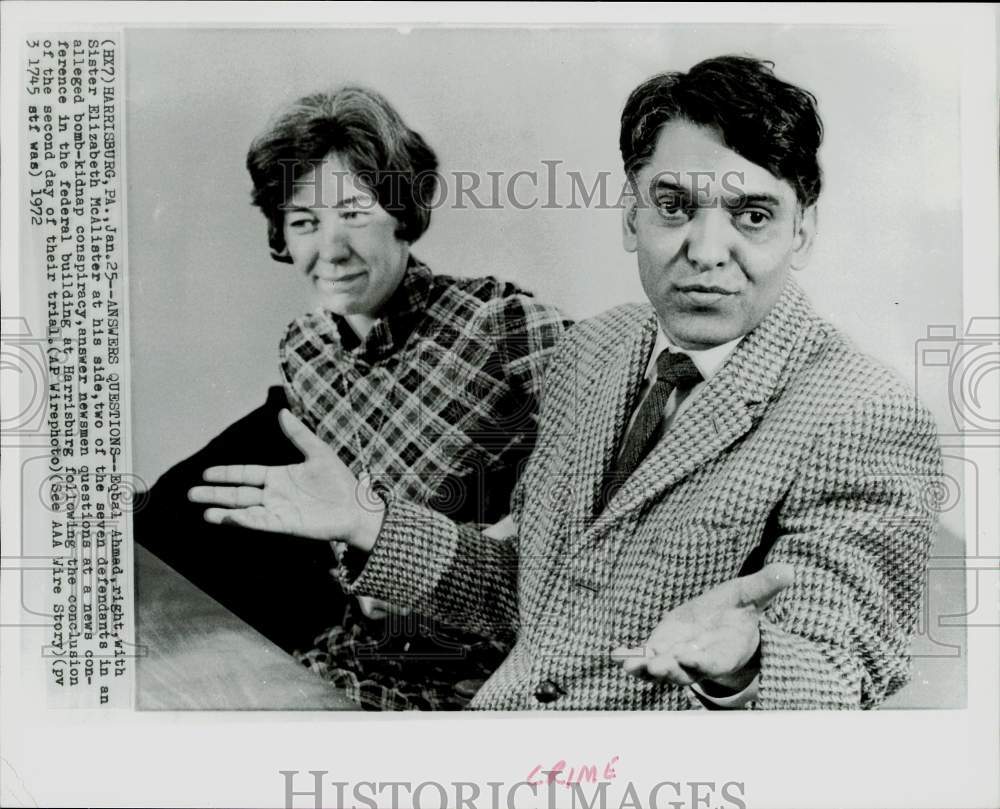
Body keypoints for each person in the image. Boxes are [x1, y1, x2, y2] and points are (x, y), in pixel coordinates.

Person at [191, 56, 943, 709]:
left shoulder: (862, 412)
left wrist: (745, 661)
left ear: (803, 232)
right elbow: (529, 594)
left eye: (752, 214)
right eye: (674, 206)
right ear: (630, 216)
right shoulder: (598, 350)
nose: (707, 251)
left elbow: (847, 668)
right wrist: (370, 521)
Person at [144, 86, 571, 710]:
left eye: (354, 212)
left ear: (402, 212)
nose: (330, 249)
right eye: (304, 221)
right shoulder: (305, 348)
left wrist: (508, 528)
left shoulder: (503, 325)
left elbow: (614, 471)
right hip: (347, 654)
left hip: (479, 675)